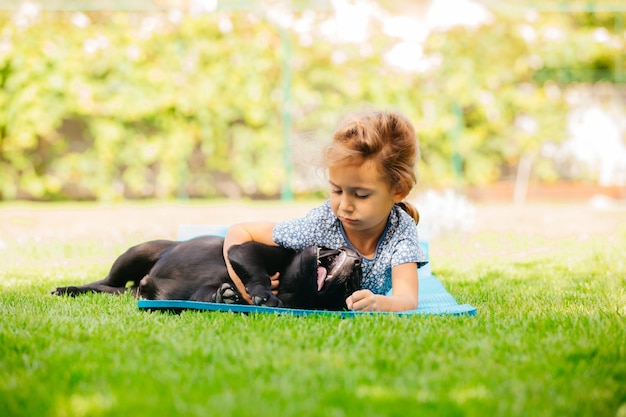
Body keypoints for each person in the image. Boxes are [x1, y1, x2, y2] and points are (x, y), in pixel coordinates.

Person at [223, 109, 428, 312]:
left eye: (361, 195)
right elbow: (240, 231)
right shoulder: (321, 224)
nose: (344, 205)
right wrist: (246, 285)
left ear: (398, 190)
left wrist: (380, 303)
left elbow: (407, 298)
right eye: (336, 190)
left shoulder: (400, 229)